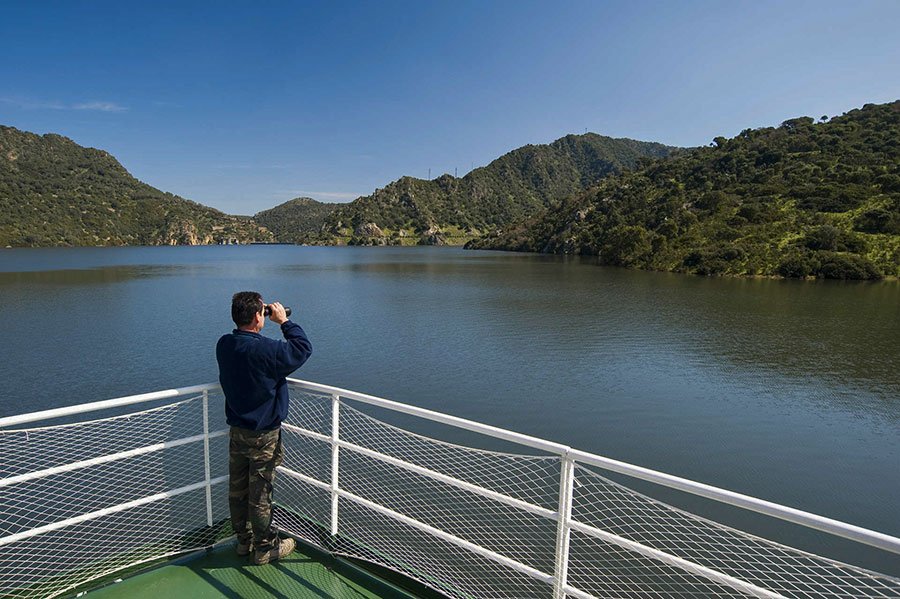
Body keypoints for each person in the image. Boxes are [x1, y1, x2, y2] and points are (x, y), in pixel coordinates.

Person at [216, 291, 312, 565]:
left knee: (238, 489)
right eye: (263, 312)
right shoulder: (266, 350)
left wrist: (262, 318)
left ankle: (243, 542)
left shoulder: (224, 345)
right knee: (260, 493)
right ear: (260, 316)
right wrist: (284, 322)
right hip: (263, 435)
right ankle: (265, 548)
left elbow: (248, 346)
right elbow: (302, 349)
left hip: (237, 430)